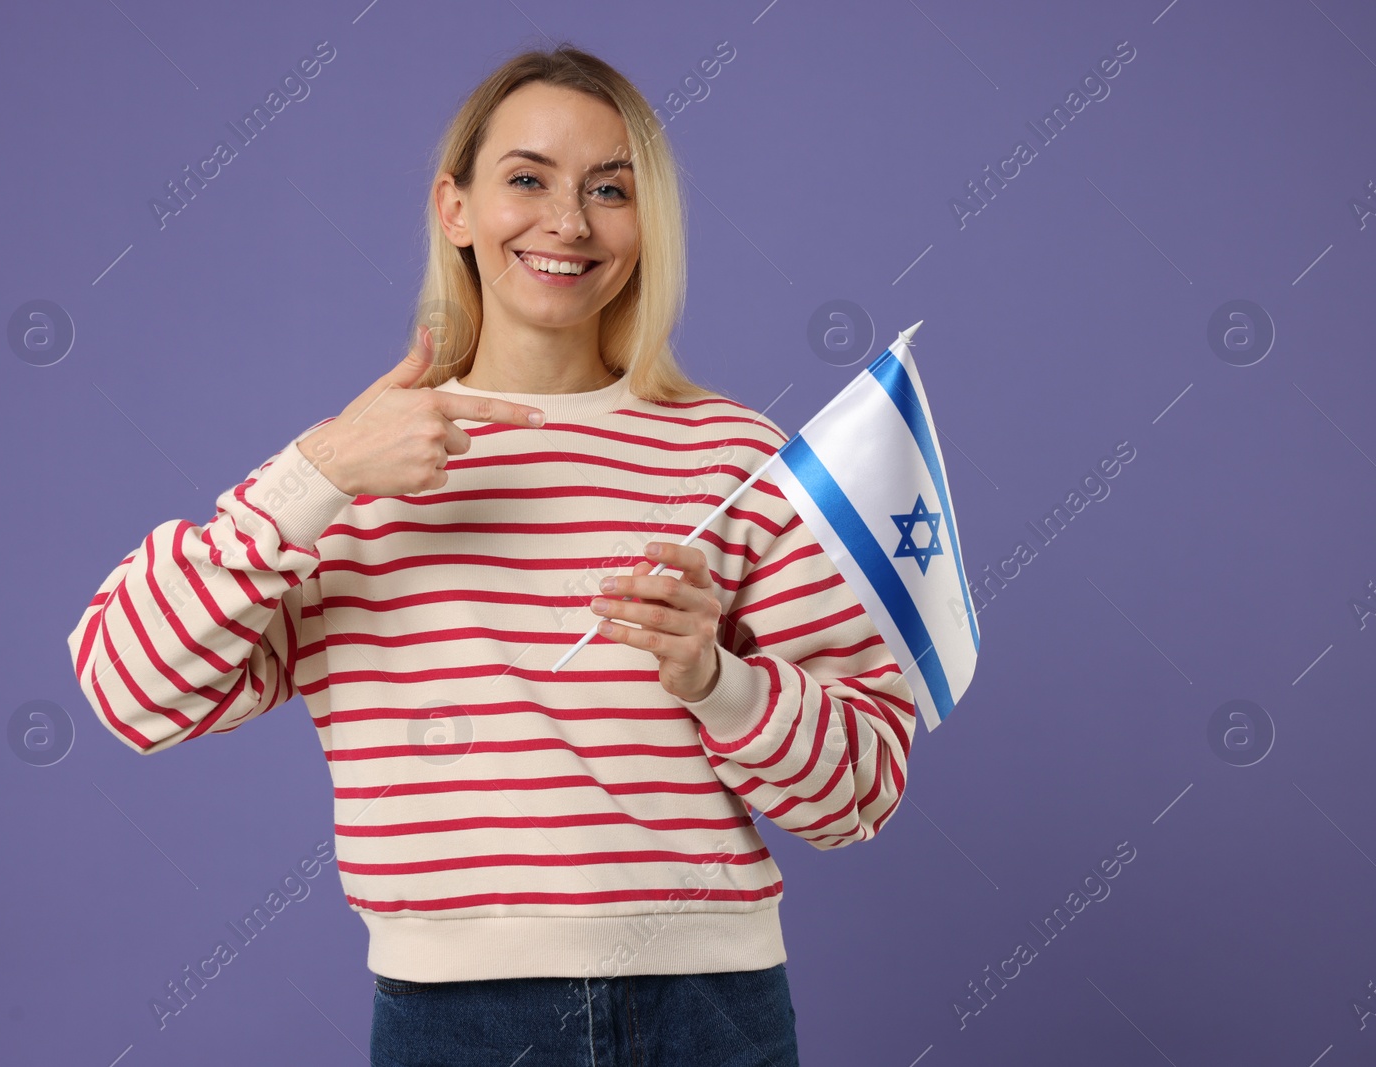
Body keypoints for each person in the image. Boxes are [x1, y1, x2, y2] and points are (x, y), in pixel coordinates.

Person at [66, 42, 917, 1067]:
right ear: (454, 208)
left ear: (647, 225)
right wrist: (318, 468)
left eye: (610, 187)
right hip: (456, 1019)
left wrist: (716, 678)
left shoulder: (736, 456)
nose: (567, 221)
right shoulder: (355, 468)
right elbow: (130, 688)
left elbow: (860, 789)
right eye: (527, 179)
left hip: (713, 1010)